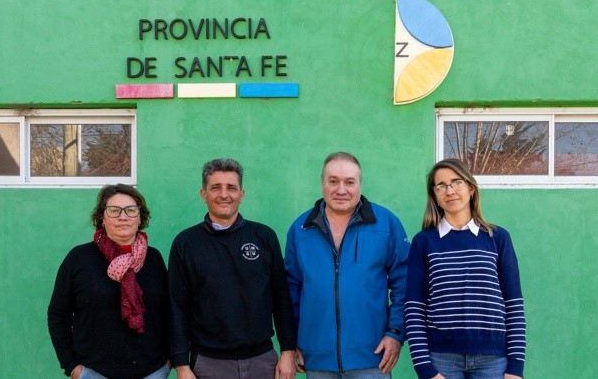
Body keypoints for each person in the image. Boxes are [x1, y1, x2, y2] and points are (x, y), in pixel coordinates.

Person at [168, 158, 297, 379]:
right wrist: (181, 365)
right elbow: (177, 306)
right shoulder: (185, 243)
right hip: (208, 364)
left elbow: (281, 298)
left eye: (231, 188)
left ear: (241, 194)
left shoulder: (264, 237)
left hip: (262, 361)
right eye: (215, 187)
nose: (224, 194)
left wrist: (287, 351)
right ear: (203, 194)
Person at [285, 152, 410, 378]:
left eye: (349, 182)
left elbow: (406, 284)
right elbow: (290, 290)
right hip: (317, 359)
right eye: (333, 181)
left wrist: (395, 332)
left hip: (372, 358)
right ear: (322, 183)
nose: (341, 190)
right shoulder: (300, 229)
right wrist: (290, 342)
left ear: (360, 183)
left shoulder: (386, 224)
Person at [404, 158, 526, 379]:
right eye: (441, 186)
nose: (449, 191)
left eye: (456, 182)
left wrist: (516, 367)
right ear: (435, 196)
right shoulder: (423, 242)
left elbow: (514, 305)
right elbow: (414, 308)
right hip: (441, 359)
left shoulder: (498, 238)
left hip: (493, 360)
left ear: (471, 188)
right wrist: (424, 368)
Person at [48, 184, 171, 379]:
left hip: (152, 371)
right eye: (114, 211)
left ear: (140, 217)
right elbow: (58, 314)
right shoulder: (79, 258)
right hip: (94, 373)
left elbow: (169, 312)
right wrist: (72, 366)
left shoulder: (154, 258)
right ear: (102, 218)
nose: (123, 217)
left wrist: (169, 360)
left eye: (131, 210)